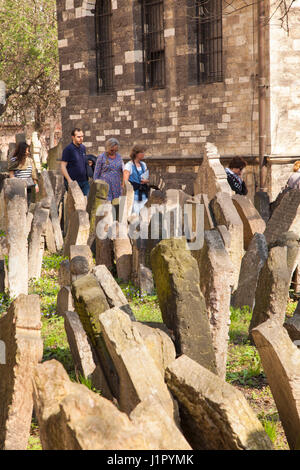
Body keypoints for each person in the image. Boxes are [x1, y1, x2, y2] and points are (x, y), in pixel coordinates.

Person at [61, 128, 90, 196]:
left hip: (85, 181)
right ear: (73, 137)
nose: (81, 138)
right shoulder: (68, 149)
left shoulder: (83, 148)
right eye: (78, 137)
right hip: (73, 182)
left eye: (82, 136)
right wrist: (69, 180)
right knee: (76, 205)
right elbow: (63, 166)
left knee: (86, 203)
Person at [123, 144, 149, 215]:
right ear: (137, 154)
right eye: (142, 152)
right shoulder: (128, 165)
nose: (144, 154)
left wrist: (146, 181)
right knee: (135, 215)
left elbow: (146, 178)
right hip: (134, 196)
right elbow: (125, 183)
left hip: (143, 194)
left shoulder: (143, 164)